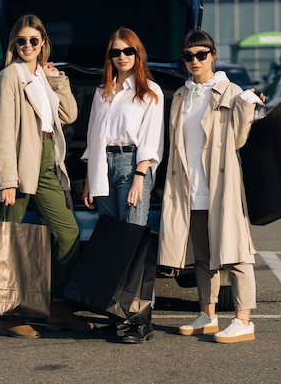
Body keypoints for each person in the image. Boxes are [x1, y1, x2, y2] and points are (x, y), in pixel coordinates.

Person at [0, 14, 93, 338]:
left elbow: (69, 113)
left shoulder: (42, 77)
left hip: (47, 162)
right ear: (14, 44)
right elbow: (0, 130)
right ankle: (8, 316)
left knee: (68, 234)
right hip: (19, 164)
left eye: (34, 40)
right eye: (22, 41)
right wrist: (6, 179)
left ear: (44, 42)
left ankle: (58, 308)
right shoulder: (10, 76)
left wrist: (57, 78)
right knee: (9, 240)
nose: (28, 46)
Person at [158, 29, 265, 344]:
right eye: (189, 56)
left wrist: (247, 106)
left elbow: (238, 140)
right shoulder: (181, 95)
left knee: (237, 253)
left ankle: (243, 319)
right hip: (189, 187)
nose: (195, 61)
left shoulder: (230, 91)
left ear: (213, 56)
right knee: (202, 256)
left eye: (201, 54)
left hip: (221, 186)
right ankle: (208, 314)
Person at [81, 27, 164, 343]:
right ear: (110, 57)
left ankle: (141, 319)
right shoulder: (103, 93)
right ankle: (117, 314)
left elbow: (151, 139)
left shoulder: (150, 92)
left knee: (133, 243)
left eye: (127, 51)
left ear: (137, 53)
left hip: (133, 167)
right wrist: (89, 182)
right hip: (103, 167)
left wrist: (140, 177)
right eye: (115, 52)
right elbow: (92, 139)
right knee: (112, 245)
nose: (122, 57)